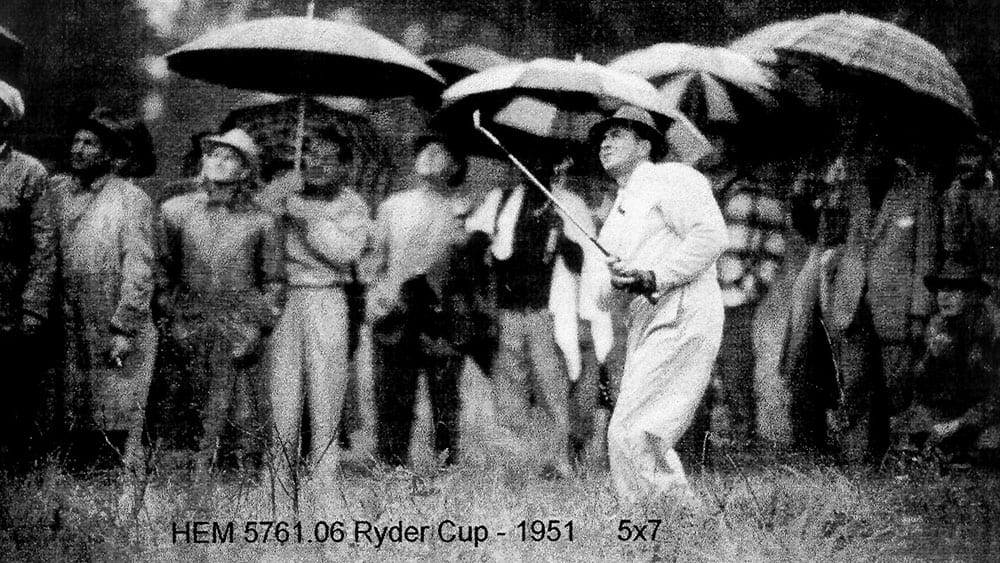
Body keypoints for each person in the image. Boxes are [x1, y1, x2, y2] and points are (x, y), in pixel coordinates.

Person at [589, 105, 727, 505]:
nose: (606, 142)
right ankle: (677, 527)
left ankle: (665, 530)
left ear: (645, 145)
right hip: (647, 322)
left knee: (634, 431)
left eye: (618, 134)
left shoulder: (674, 177)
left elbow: (711, 237)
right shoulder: (616, 211)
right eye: (603, 136)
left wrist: (654, 275)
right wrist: (618, 281)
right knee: (637, 433)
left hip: (684, 310)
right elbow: (603, 296)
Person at [158, 128, 282, 474]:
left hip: (240, 323)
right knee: (184, 407)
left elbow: (273, 281)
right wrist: (171, 313)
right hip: (189, 320)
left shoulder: (262, 220)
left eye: (230, 157)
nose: (218, 161)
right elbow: (163, 270)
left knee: (242, 411)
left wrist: (257, 328)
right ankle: (186, 483)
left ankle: (243, 478)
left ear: (245, 171)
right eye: (213, 154)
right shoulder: (175, 211)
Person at [256, 126, 371, 492]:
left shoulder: (351, 204)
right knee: (282, 387)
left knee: (327, 386)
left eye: (327, 157)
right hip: (285, 297)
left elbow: (345, 252)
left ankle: (325, 474)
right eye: (310, 155)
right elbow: (255, 223)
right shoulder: (283, 191)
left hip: (327, 295)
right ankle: (277, 472)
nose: (316, 164)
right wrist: (278, 199)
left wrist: (307, 218)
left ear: (344, 166)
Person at [464, 155, 588, 478]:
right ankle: (519, 459)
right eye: (525, 163)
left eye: (540, 165)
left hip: (543, 313)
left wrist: (562, 235)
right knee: (508, 389)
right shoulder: (502, 199)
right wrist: (482, 247)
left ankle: (559, 459)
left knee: (552, 387)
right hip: (505, 313)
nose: (532, 170)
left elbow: (579, 261)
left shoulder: (561, 205)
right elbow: (476, 237)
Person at [50, 108, 157, 474]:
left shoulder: (131, 199)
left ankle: (108, 484)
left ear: (111, 153)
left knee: (112, 405)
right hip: (66, 311)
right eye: (76, 141)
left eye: (90, 143)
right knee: (70, 403)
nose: (79, 150)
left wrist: (125, 326)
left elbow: (139, 266)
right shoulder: (58, 191)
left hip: (109, 309)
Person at [821, 135, 937, 464]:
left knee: (897, 387)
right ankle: (856, 461)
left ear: (892, 150)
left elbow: (925, 258)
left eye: (878, 146)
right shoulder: (852, 190)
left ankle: (900, 459)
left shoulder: (917, 191)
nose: (872, 153)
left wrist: (918, 312)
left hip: (897, 309)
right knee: (854, 383)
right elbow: (831, 237)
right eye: (866, 147)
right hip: (854, 306)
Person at [364, 136, 475, 467]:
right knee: (392, 395)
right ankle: (391, 466)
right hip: (396, 310)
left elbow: (470, 271)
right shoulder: (392, 206)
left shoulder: (464, 209)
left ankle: (445, 466)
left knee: (445, 398)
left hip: (442, 315)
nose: (429, 155)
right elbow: (373, 261)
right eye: (424, 149)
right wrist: (376, 295)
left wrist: (463, 236)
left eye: (440, 151)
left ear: (455, 166)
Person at [0, 80, 57, 473]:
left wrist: (33, 307)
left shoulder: (28, 172)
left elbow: (44, 244)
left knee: (9, 389)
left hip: (8, 294)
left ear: (6, 119)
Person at [891, 261, 999, 461]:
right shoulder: (935, 329)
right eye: (940, 289)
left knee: (989, 444)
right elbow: (912, 391)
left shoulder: (990, 334)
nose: (944, 296)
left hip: (978, 420)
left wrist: (959, 424)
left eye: (955, 289)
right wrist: (931, 358)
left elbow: (995, 399)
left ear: (973, 295)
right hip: (940, 417)